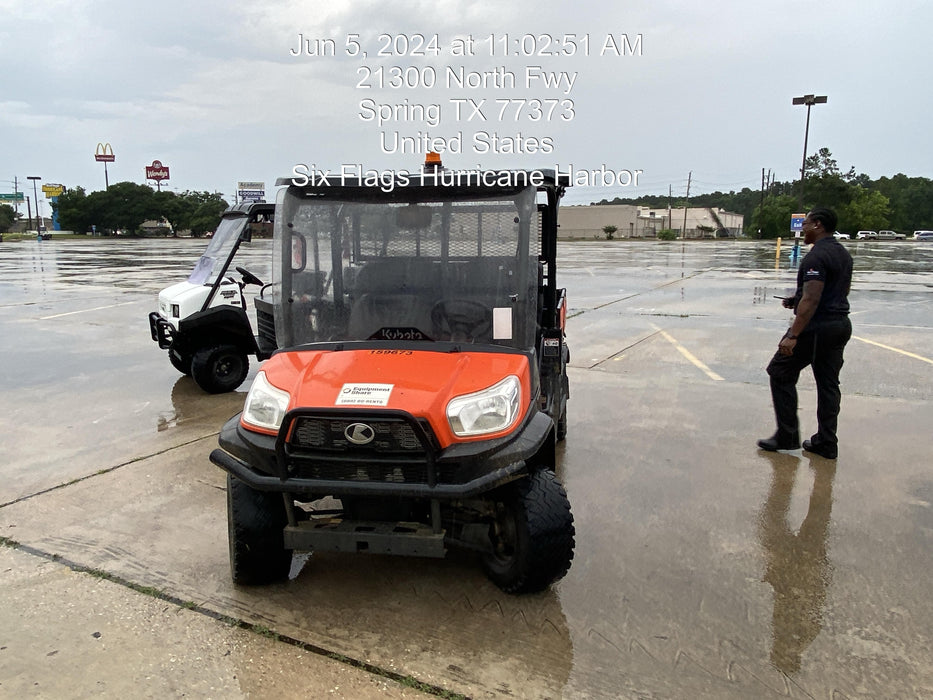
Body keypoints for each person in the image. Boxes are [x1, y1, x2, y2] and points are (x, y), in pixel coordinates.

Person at [758, 207, 853, 459]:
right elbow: (839, 290)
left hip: (817, 328)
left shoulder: (816, 257)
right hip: (839, 325)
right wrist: (796, 299)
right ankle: (827, 442)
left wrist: (793, 335)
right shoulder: (842, 254)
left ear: (818, 225)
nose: (803, 229)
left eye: (806, 224)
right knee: (828, 384)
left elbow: (812, 299)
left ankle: (787, 435)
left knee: (779, 371)